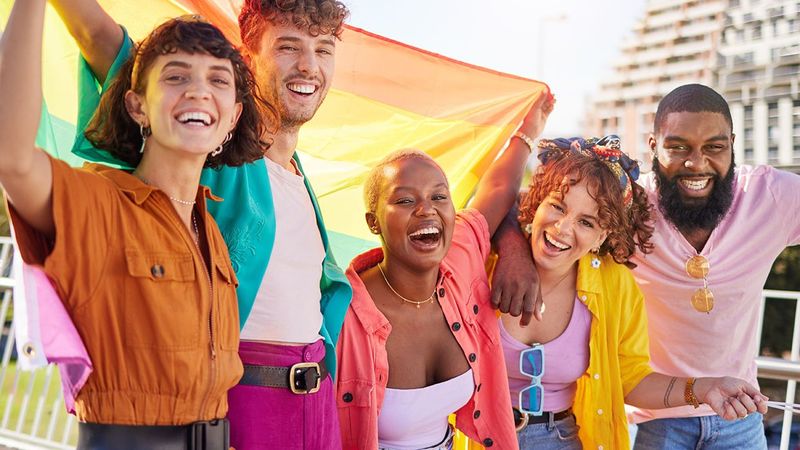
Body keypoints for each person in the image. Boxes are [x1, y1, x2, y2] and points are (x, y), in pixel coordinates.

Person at [50, 0, 351, 448]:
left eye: (324, 50)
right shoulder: (206, 150)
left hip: (315, 409)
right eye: (289, 46)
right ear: (249, 57)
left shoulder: (300, 176)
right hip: (235, 405)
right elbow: (100, 41)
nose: (309, 65)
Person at [0, 1, 267, 448]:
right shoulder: (100, 204)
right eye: (176, 76)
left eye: (218, 80)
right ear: (137, 106)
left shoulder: (213, 233)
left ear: (233, 117)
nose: (199, 92)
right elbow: (11, 158)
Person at [498, 135, 768, 450]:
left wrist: (706, 388)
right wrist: (508, 246)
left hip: (564, 440)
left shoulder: (615, 285)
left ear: (602, 235)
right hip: (483, 439)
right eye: (557, 206)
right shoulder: (488, 267)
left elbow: (631, 380)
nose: (563, 228)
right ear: (537, 203)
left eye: (586, 222)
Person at [335, 93, 554, 450]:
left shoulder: (461, 259)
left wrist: (529, 129)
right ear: (373, 222)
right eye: (405, 200)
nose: (427, 210)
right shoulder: (343, 313)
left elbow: (498, 188)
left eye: (439, 197)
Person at [626, 84, 800, 449]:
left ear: (733, 144)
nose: (697, 163)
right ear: (654, 146)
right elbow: (540, 218)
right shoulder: (625, 205)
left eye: (714, 147)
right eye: (678, 147)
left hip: (740, 418)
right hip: (649, 423)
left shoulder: (769, 196)